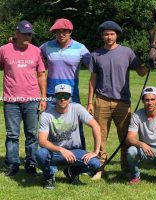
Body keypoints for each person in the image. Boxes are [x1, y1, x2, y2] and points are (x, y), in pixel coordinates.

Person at [87, 20, 149, 178]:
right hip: (101, 101)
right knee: (100, 136)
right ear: (102, 36)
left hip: (123, 102)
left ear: (117, 35)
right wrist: (89, 102)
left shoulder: (127, 52)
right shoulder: (95, 54)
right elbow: (93, 79)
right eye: (106, 34)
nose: (109, 36)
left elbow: (141, 72)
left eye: (112, 34)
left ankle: (126, 169)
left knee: (126, 138)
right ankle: (100, 168)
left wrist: (149, 63)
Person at [0, 20, 47, 176]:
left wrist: (43, 97)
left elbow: (41, 74)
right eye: (25, 34)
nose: (28, 37)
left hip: (32, 100)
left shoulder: (36, 51)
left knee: (31, 135)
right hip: (11, 101)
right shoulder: (4, 50)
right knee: (12, 134)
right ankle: (13, 165)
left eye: (30, 34)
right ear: (17, 34)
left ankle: (31, 163)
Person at [35, 84, 101, 189]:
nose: (62, 99)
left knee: (95, 164)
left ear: (70, 98)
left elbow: (96, 126)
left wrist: (96, 152)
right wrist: (60, 150)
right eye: (59, 96)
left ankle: (72, 171)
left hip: (74, 151)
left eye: (65, 96)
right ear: (54, 97)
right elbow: (42, 141)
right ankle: (49, 176)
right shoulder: (46, 115)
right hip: (55, 152)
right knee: (40, 154)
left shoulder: (77, 108)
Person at [40, 18, 91, 150]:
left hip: (72, 94)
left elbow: (94, 66)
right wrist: (15, 43)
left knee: (77, 127)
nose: (61, 34)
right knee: (51, 127)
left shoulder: (80, 48)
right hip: (52, 94)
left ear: (70, 32)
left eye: (64, 31)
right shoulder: (47, 46)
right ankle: (51, 159)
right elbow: (31, 53)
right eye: (58, 31)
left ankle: (80, 159)